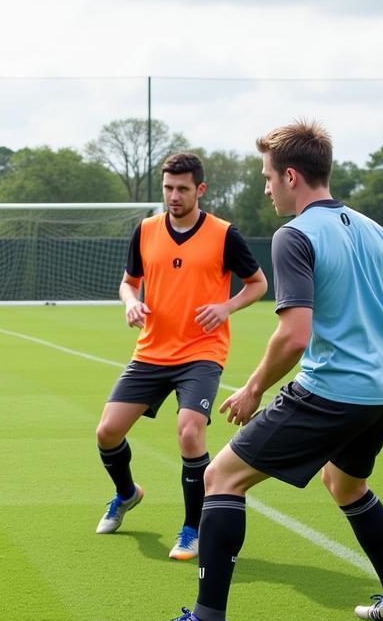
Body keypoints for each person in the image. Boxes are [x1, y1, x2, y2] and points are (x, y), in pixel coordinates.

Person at [134, 121, 383, 621]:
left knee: (222, 477)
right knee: (345, 485)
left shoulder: (294, 235)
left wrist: (252, 389)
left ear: (291, 175)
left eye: (268, 177)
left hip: (332, 391)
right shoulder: (372, 228)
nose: (265, 187)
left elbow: (294, 335)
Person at [95, 152, 267, 559]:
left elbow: (257, 283)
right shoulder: (145, 230)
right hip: (152, 351)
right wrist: (129, 303)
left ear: (200, 190)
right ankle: (126, 493)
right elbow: (128, 282)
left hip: (201, 353)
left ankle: (192, 528)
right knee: (107, 433)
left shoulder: (224, 234)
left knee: (190, 432)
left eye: (182, 189)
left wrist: (225, 307)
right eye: (168, 188)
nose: (174, 196)